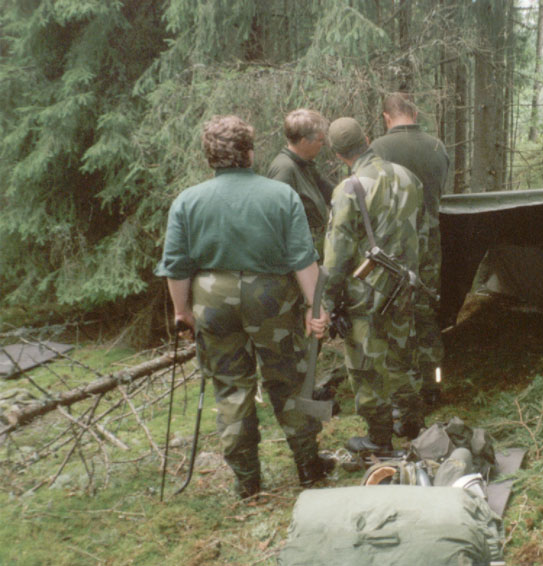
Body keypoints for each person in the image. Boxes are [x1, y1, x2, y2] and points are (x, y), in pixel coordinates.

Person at [155, 115, 333, 498]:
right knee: (288, 379)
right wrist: (314, 306)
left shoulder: (187, 201)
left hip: (212, 298)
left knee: (231, 388)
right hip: (272, 296)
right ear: (250, 153)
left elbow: (176, 266)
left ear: (209, 156)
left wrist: (182, 312)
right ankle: (308, 466)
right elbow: (303, 259)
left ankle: (247, 481)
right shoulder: (280, 195)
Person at [322, 117, 432, 453]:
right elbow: (425, 234)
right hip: (405, 287)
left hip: (365, 295)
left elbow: (336, 256)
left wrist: (328, 302)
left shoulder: (349, 189)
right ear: (367, 139)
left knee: (366, 368)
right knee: (403, 358)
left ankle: (379, 439)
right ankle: (412, 424)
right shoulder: (409, 178)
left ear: (337, 154)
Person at [370, 93, 448, 408]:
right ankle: (432, 384)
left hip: (392, 247)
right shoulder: (437, 147)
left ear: (386, 117)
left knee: (393, 314)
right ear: (414, 114)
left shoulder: (378, 149)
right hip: (430, 242)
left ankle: (400, 387)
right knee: (426, 311)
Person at [267, 109, 334, 257]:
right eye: (320, 140)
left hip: (313, 251)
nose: (323, 144)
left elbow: (332, 194)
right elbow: (275, 221)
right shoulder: (285, 169)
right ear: (304, 142)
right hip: (300, 256)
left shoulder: (305, 165)